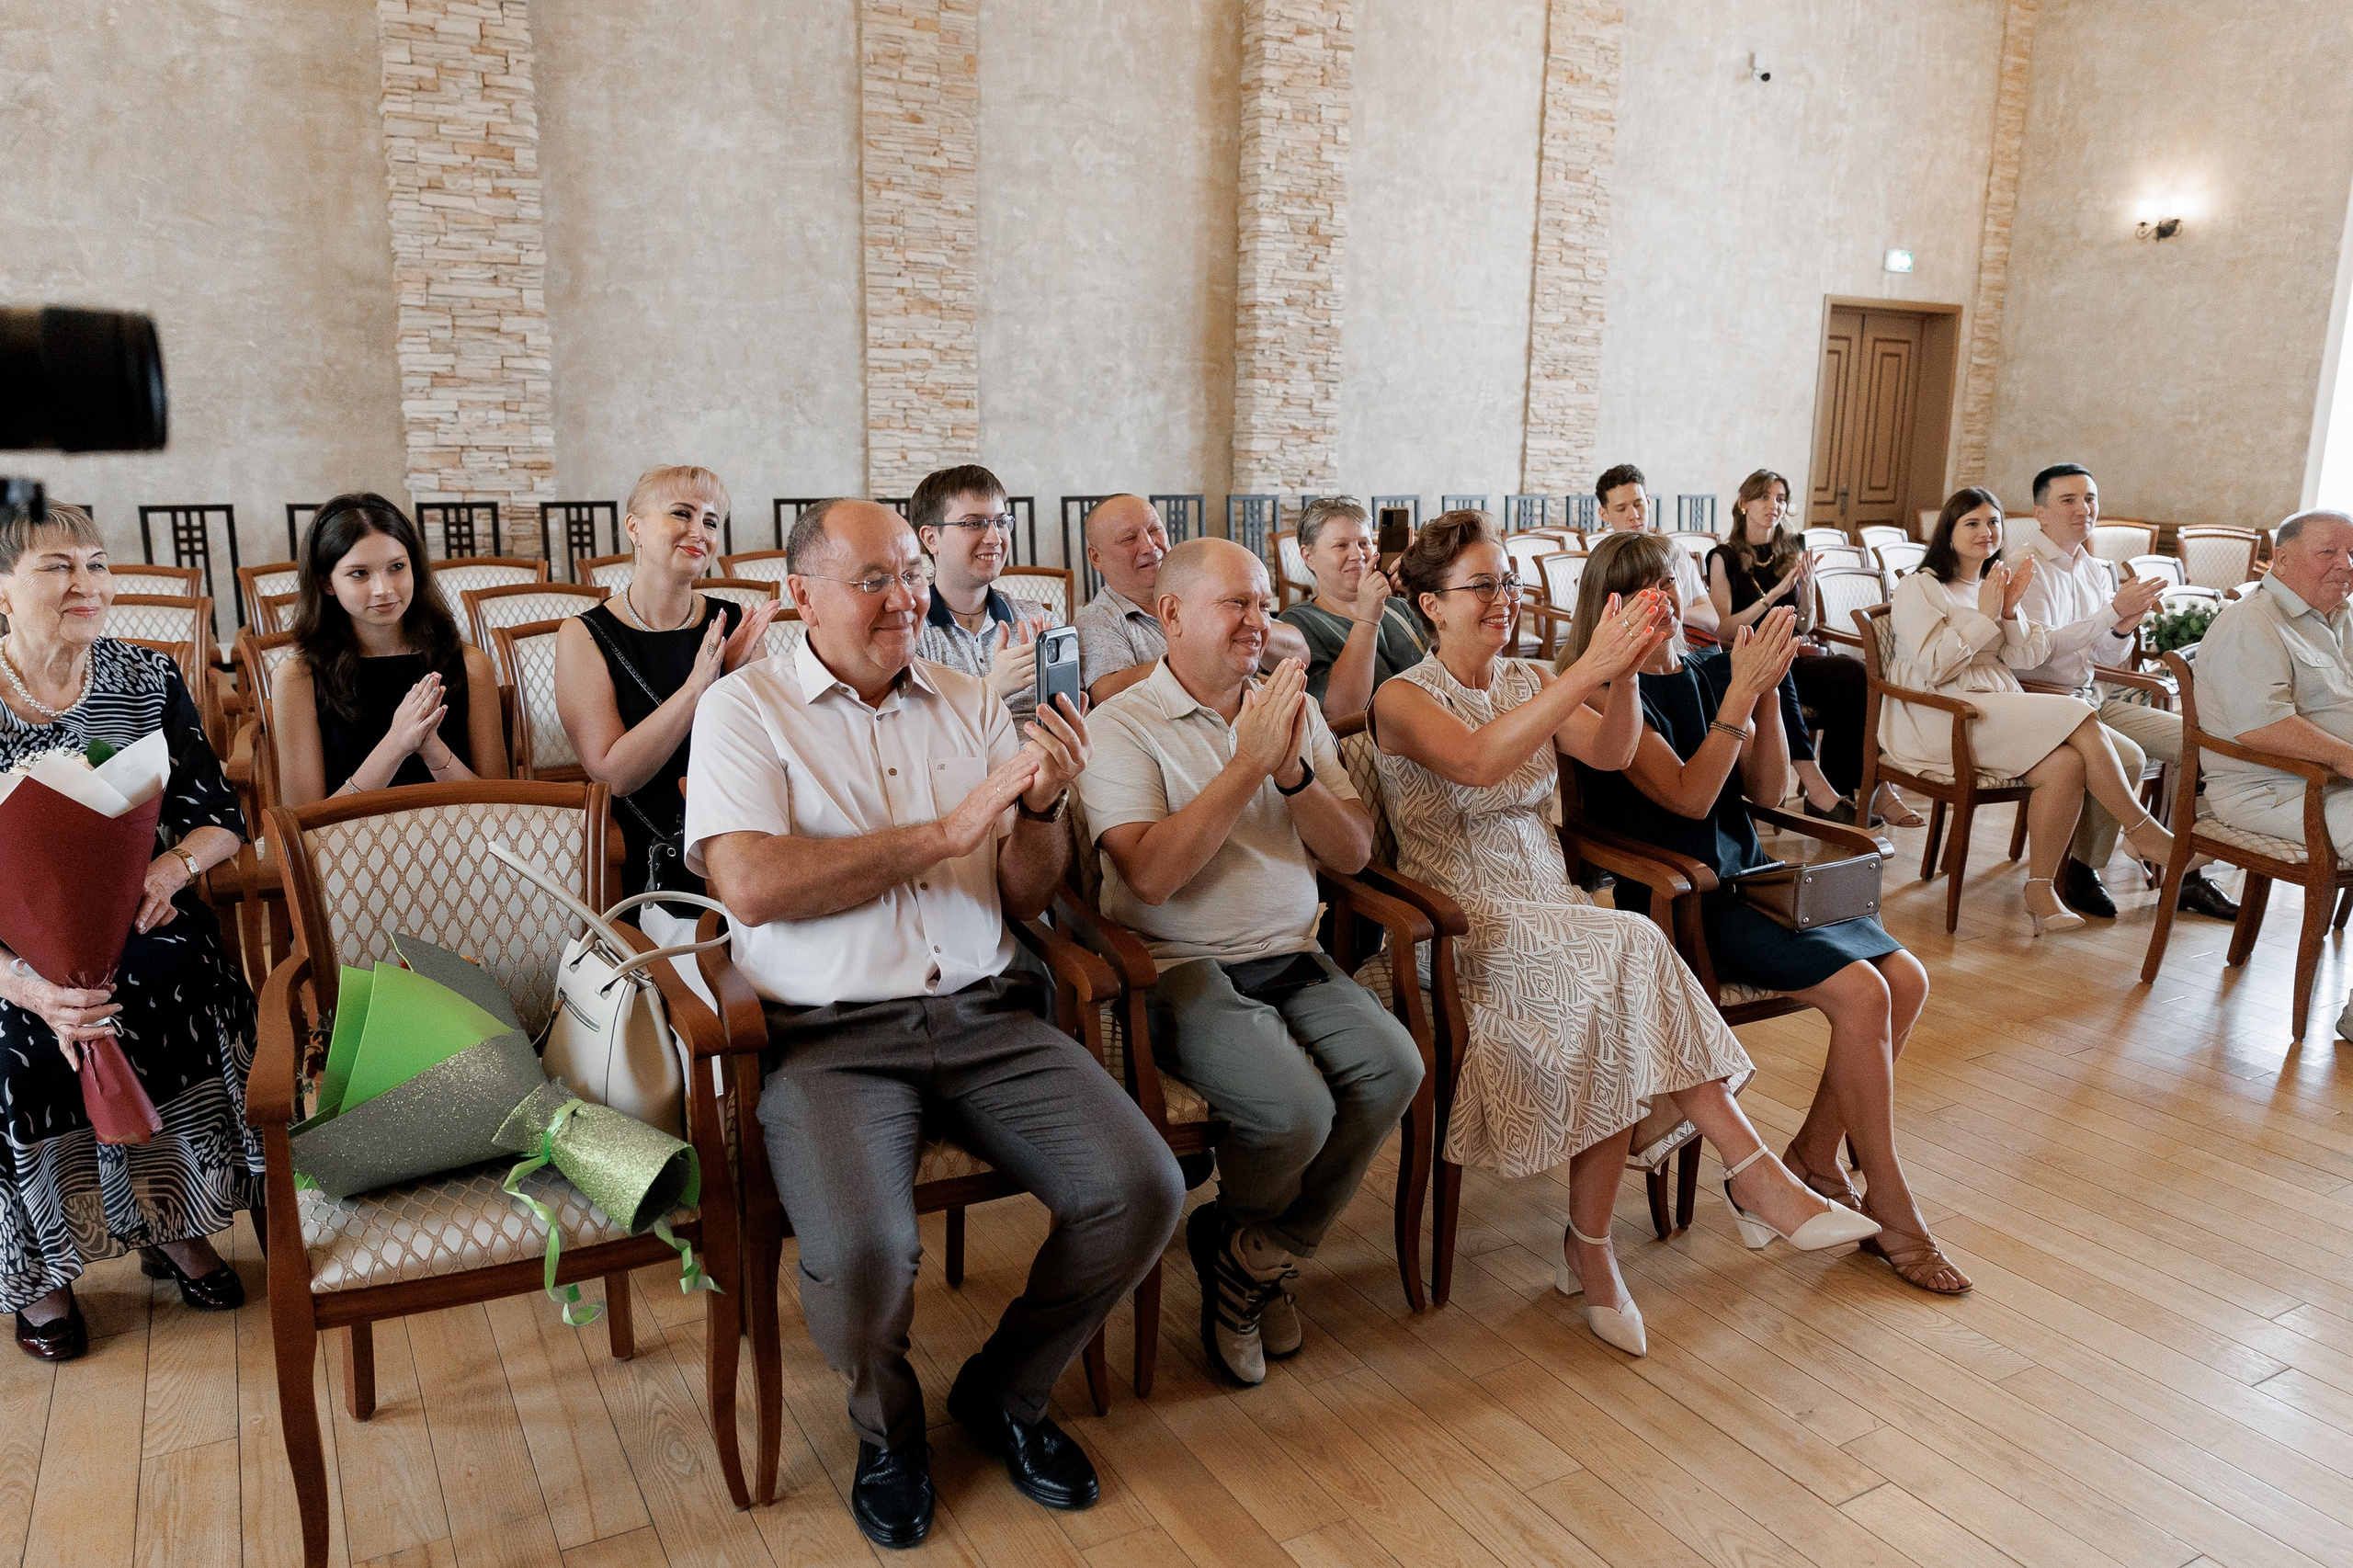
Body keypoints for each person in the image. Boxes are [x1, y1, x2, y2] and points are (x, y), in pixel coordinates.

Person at [685, 498, 1182, 1551]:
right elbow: (754, 883)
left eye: (909, 572)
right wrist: (947, 829)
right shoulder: (745, 709)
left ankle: (1004, 1390)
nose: (905, 596)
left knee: (1141, 1189)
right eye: (872, 579)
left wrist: (1040, 810)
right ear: (799, 595)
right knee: (866, 1253)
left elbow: (1025, 892)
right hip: (830, 1037)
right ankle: (888, 1433)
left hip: (984, 1012)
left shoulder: (966, 700)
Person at [1370, 514, 1877, 1355]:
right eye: (1481, 586)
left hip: (1552, 906)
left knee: (1613, 997)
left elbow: (1608, 752)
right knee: (1635, 948)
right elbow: (1475, 764)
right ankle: (1754, 1180)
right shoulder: (1403, 697)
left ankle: (1594, 1248)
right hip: (1460, 920)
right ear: (1431, 604)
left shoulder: (1531, 676)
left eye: (1506, 581)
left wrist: (1630, 672)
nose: (1502, 598)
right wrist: (1590, 671)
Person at [1571, 528, 1967, 1294]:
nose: (1667, 607)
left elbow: (1769, 789)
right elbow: (1687, 795)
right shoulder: (1604, 693)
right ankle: (1891, 1202)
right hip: (1680, 899)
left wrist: (1764, 693)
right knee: (1863, 992)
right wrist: (1737, 700)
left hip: (1748, 879)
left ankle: (1816, 1156)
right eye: (1647, 594)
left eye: (1674, 586)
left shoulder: (1710, 665)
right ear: (1613, 607)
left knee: (1907, 977)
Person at [1079, 537, 1424, 1386]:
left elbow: (1348, 856)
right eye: (1237, 603)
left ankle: (1249, 1253)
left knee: (1393, 1068)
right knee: (1296, 1110)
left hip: (1291, 952)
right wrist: (1245, 767)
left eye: (1266, 603)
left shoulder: (1290, 711)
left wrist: (1296, 771)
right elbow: (1152, 877)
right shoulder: (1121, 726)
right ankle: (1253, 1261)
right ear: (1171, 615)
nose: (1259, 621)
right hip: (1179, 965)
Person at [0, 504, 261, 1361]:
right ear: (3, 590)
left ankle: (172, 1222)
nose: (87, 584)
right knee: (26, 1043)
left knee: (171, 983)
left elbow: (220, 819)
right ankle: (41, 1273)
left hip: (132, 916)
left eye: (99, 564)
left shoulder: (140, 680)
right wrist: (30, 986)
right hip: (8, 954)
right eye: (56, 567)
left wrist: (167, 870)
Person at [1886, 488, 2174, 933]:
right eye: (1973, 523)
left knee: (2065, 763)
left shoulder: (1996, 582)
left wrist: (2010, 611)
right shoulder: (1919, 586)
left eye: (1994, 522)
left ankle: (2040, 889)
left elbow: (2025, 658)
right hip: (1940, 712)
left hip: (1994, 703)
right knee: (2080, 714)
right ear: (1948, 531)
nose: (1987, 532)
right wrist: (1985, 617)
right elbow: (1935, 667)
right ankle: (2144, 831)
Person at [2013, 462, 2238, 921]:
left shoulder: (2096, 569)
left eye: (2090, 499)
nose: (2084, 509)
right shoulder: (2024, 568)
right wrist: (2110, 613)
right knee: (2130, 756)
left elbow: (2107, 660)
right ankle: (2082, 868)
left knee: (2198, 742)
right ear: (2040, 513)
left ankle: (2185, 876)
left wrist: (2122, 628)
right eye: (2069, 500)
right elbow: (2031, 655)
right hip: (2041, 702)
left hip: (2092, 696)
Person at [555, 465, 780, 903]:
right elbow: (613, 774)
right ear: (634, 528)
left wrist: (734, 682)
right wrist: (701, 687)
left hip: (734, 830)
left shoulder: (730, 621)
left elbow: (766, 748)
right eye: (682, 513)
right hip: (641, 848)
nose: (699, 531)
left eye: (711, 521)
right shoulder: (583, 635)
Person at [2190, 509, 2353, 1033]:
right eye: (2328, 552)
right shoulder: (2252, 622)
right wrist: (2348, 757)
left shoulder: (2341, 617)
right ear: (2281, 558)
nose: (2344, 565)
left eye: (2350, 553)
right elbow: (2263, 728)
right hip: (2277, 791)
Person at [1706, 468, 1918, 827]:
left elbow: (1805, 624)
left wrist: (1806, 588)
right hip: (1743, 659)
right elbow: (1723, 626)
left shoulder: (1792, 548)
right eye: (1764, 497)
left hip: (1789, 654)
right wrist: (1774, 594)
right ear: (1743, 503)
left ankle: (1855, 785)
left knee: (1853, 674)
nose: (1773, 505)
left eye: (1781, 499)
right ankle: (1815, 785)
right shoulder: (1722, 556)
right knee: (1776, 661)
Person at [275, 494, 507, 806]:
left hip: (459, 847)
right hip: (352, 851)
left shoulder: (470, 665)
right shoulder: (299, 679)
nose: (384, 589)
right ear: (327, 583)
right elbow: (302, 823)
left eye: (397, 567)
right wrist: (395, 745)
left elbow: (503, 806)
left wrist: (434, 751)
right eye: (359, 574)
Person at [1073, 494, 1308, 706]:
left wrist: (1241, 629)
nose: (1149, 546)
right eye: (1128, 539)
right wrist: (1207, 652)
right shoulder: (1096, 620)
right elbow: (1108, 694)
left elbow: (1300, 653)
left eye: (1155, 530)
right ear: (1096, 557)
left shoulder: (1204, 587)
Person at [911, 463, 1051, 726]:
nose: (995, 538)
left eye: (1000, 522)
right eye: (974, 524)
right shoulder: (908, 631)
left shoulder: (1037, 620)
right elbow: (912, 734)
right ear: (931, 538)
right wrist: (993, 688)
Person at [1275, 495, 1429, 720]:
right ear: (1308, 557)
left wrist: (1421, 594)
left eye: (1364, 543)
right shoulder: (1297, 623)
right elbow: (1339, 710)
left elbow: (1454, 669)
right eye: (1341, 545)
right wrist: (1368, 618)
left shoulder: (1400, 607)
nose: (1358, 555)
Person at [1597, 462, 1720, 642]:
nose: (1634, 515)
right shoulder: (1600, 563)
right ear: (1604, 514)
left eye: (1638, 504)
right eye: (1621, 508)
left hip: (1686, 650)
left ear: (1648, 502)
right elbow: (1592, 628)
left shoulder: (1677, 553)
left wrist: (1665, 612)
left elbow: (1711, 619)